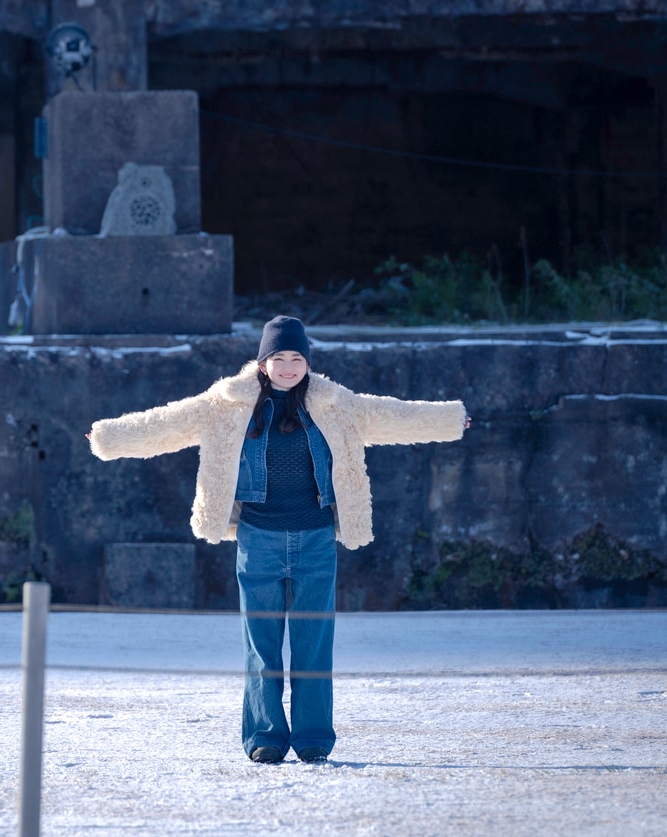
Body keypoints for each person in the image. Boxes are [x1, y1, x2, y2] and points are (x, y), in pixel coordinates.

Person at [87, 315, 469, 765]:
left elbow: (393, 415)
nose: (289, 366)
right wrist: (109, 437)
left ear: (307, 362)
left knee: (313, 643)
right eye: (279, 357)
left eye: (297, 358)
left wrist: (449, 419)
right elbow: (168, 423)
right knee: (261, 645)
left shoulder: (334, 404)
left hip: (316, 539)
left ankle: (312, 738)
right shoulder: (226, 404)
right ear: (263, 362)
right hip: (258, 540)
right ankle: (265, 736)